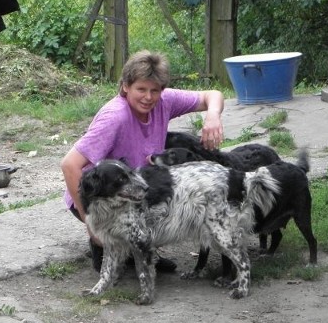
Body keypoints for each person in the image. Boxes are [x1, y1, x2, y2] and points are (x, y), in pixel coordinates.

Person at [61, 50, 225, 272]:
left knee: (168, 191)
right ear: (126, 86)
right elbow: (70, 165)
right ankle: (105, 243)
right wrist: (91, 225)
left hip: (133, 187)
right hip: (98, 196)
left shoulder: (163, 101)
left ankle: (139, 246)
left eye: (154, 90)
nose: (148, 97)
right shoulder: (115, 117)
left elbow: (212, 95)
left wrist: (213, 115)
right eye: (141, 89)